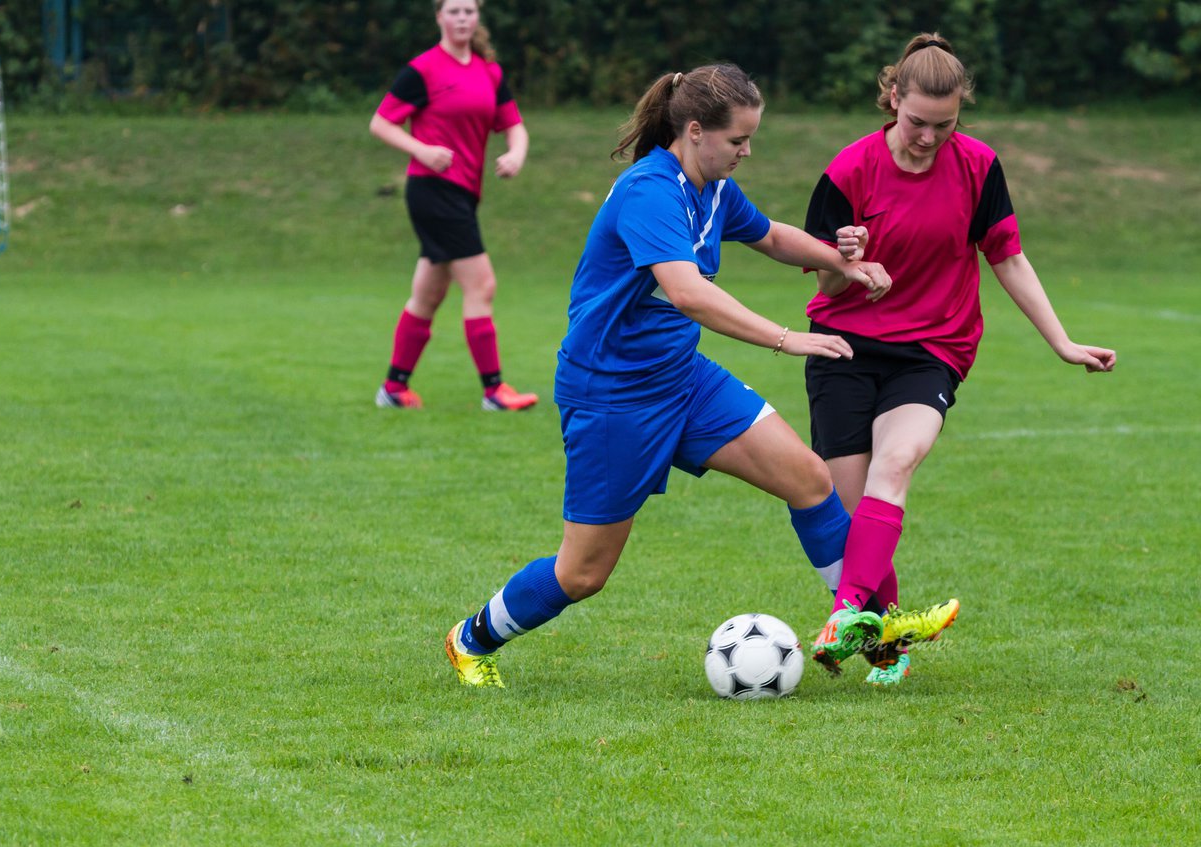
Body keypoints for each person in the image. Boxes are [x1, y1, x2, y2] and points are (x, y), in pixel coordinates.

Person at [444, 63, 895, 689]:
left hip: (681, 377)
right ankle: (472, 638)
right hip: (612, 394)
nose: (746, 151)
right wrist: (788, 338)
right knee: (583, 574)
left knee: (809, 478)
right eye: (738, 139)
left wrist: (847, 265)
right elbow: (688, 295)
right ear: (694, 131)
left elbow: (771, 236)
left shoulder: (711, 187)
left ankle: (868, 631)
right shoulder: (650, 191)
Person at [802, 33, 1117, 685]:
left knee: (897, 460)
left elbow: (1008, 256)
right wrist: (847, 262)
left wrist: (1061, 341)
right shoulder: (848, 171)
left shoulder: (977, 167)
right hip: (843, 350)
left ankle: (842, 619)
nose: (927, 139)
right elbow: (823, 282)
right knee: (853, 515)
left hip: (930, 350)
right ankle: (886, 645)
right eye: (917, 123)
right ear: (894, 98)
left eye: (943, 127)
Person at [369, 0, 538, 411]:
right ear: (439, 17)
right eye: (454, 11)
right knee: (482, 285)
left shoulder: (488, 71)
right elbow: (381, 122)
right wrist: (421, 150)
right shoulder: (423, 69)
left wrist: (516, 154)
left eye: (469, 11)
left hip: (462, 194)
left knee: (428, 294)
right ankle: (494, 391)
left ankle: (393, 389)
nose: (462, 18)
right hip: (433, 190)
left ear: (478, 16)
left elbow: (515, 126)